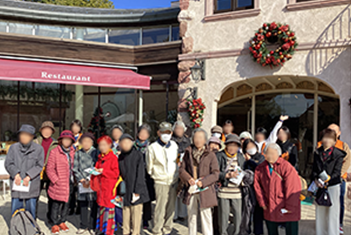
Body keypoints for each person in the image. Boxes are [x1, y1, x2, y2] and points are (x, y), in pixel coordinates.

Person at [254, 143, 301, 235]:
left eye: (272, 153)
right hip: (269, 203)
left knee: (291, 227)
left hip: (285, 202)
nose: (269, 156)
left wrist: (290, 207)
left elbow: (292, 188)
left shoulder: (286, 166)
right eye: (267, 153)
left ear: (278, 154)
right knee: (271, 228)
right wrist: (262, 203)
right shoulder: (260, 168)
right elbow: (257, 187)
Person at [179, 128, 219, 235]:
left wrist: (204, 182)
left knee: (206, 217)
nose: (198, 140)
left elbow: (215, 173)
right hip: (192, 189)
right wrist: (188, 178)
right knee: (191, 216)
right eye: (196, 137)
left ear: (205, 140)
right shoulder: (188, 152)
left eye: (200, 138)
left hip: (205, 190)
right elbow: (182, 169)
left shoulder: (210, 154)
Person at [5, 124, 44, 219]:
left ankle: (31, 228)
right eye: (22, 134)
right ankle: (16, 229)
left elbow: (39, 165)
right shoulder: (13, 148)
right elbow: (8, 163)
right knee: (16, 210)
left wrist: (29, 176)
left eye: (27, 135)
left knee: (31, 210)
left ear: (32, 137)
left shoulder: (39, 149)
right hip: (17, 183)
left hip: (31, 183)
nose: (23, 137)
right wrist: (16, 174)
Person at [146, 122, 178, 235]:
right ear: (158, 133)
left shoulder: (174, 145)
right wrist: (156, 175)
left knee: (171, 207)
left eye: (168, 132)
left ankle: (167, 228)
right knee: (160, 207)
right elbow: (149, 166)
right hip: (160, 181)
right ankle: (157, 230)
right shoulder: (152, 147)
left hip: (173, 181)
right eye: (163, 132)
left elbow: (177, 161)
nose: (166, 135)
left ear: (171, 133)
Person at [312, 129, 346, 235]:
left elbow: (337, 172)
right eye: (325, 137)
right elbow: (314, 170)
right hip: (320, 186)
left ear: (335, 140)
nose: (327, 140)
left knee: (333, 213)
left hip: (333, 186)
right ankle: (320, 233)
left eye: (330, 138)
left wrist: (328, 179)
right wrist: (316, 180)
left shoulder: (338, 154)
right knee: (320, 213)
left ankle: (333, 233)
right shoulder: (317, 152)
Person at [119, 134, 149, 235]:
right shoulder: (120, 157)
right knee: (126, 213)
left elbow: (141, 174)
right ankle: (126, 232)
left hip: (137, 189)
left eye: (128, 142)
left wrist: (138, 190)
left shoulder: (138, 155)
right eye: (123, 142)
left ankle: (135, 233)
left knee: (136, 215)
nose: (126, 144)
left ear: (132, 143)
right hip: (125, 189)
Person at [46, 130, 76, 234]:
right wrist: (55, 179)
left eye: (69, 140)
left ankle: (62, 221)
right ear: (61, 140)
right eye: (65, 139)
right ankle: (54, 223)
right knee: (56, 204)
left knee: (66, 203)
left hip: (70, 181)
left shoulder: (73, 151)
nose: (67, 141)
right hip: (58, 182)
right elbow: (49, 168)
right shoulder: (55, 151)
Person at [216, 134, 245, 235]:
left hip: (237, 191)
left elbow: (244, 171)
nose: (232, 148)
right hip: (224, 191)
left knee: (237, 216)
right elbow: (215, 173)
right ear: (226, 145)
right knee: (223, 216)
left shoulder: (241, 157)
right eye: (230, 145)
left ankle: (236, 233)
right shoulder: (219, 156)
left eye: (235, 145)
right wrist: (227, 175)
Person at [90, 135, 119, 235]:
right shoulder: (100, 158)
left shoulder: (113, 158)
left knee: (109, 209)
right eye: (100, 145)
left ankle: (109, 231)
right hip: (101, 188)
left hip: (109, 188)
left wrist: (104, 171)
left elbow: (115, 174)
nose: (102, 147)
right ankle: (102, 229)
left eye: (104, 145)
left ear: (109, 145)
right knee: (101, 209)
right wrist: (95, 171)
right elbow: (97, 169)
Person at [325, 124, 350, 234]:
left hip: (338, 178)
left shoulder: (343, 145)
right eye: (329, 130)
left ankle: (338, 224)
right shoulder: (321, 144)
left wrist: (339, 174)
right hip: (324, 179)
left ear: (339, 133)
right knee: (324, 201)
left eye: (334, 131)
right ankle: (326, 223)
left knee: (339, 202)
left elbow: (348, 160)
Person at [72, 132, 98, 234]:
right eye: (84, 141)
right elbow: (75, 168)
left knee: (93, 204)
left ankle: (92, 226)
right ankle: (83, 225)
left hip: (92, 181)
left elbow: (97, 167)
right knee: (83, 204)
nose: (86, 143)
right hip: (82, 183)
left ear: (92, 142)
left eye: (88, 141)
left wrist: (90, 179)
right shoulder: (78, 153)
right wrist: (81, 179)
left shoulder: (96, 152)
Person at [33, 121, 58, 221]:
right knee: (35, 196)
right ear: (41, 130)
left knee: (51, 196)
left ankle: (51, 217)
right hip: (37, 173)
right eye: (45, 129)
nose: (47, 132)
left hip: (50, 173)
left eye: (49, 130)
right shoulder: (35, 142)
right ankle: (32, 217)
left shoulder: (56, 143)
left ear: (52, 131)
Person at [242, 139, 265, 235]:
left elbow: (260, 168)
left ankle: (258, 232)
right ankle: (245, 230)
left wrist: (250, 161)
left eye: (252, 146)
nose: (251, 148)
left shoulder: (261, 157)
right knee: (246, 211)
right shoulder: (243, 159)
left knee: (258, 212)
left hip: (259, 188)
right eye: (248, 147)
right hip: (247, 188)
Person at [134, 124, 154, 230]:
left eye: (145, 133)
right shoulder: (132, 146)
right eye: (141, 132)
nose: (143, 134)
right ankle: (135, 220)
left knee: (147, 199)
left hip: (147, 176)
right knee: (135, 198)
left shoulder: (151, 146)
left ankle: (146, 220)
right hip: (135, 175)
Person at [171, 121, 191, 221]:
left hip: (184, 168)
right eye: (177, 128)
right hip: (172, 168)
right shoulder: (170, 141)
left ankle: (182, 214)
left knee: (183, 190)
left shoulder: (187, 141)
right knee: (174, 190)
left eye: (181, 128)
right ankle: (173, 214)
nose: (179, 130)